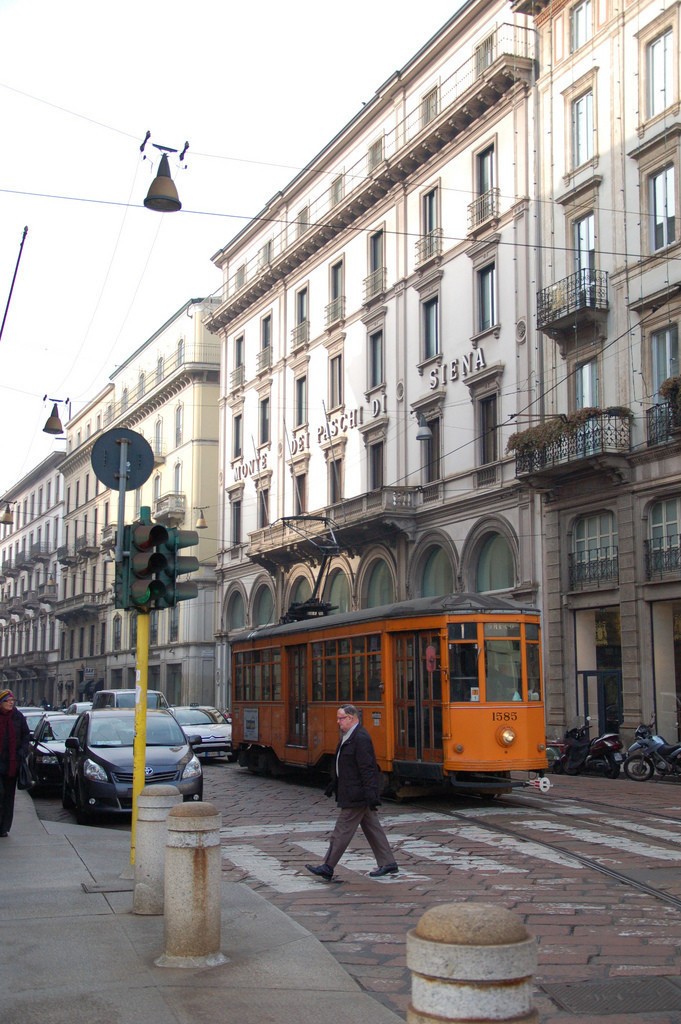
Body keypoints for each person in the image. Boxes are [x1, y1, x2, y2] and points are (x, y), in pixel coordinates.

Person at [306, 704, 398, 880]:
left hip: (357, 795)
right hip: (354, 791)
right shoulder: (349, 736)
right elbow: (346, 765)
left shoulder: (360, 737)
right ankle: (388, 863)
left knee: (341, 831)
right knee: (373, 828)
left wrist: (371, 794)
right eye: (338, 718)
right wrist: (335, 783)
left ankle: (328, 866)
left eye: (341, 718)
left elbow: (367, 768)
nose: (338, 722)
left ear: (351, 718)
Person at [0, 689, 30, 837]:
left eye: (12, 701)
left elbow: (26, 736)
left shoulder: (17, 717)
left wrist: (23, 751)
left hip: (12, 764)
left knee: (8, 797)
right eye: (8, 701)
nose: (11, 703)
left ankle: (4, 827)